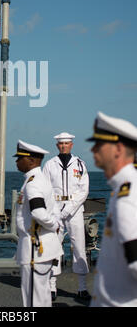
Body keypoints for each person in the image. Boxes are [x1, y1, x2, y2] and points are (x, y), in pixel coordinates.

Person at [88, 111, 137, 307]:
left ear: (117, 148)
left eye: (99, 144)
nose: (93, 150)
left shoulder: (128, 196)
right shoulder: (123, 188)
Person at [14, 139, 63, 307]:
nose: (16, 161)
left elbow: (38, 212)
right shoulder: (40, 179)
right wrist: (55, 224)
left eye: (19, 158)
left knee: (34, 298)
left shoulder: (33, 183)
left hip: (35, 249)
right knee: (41, 296)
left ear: (31, 161)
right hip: (41, 246)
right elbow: (55, 209)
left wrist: (54, 225)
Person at [42, 132, 90, 301]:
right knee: (53, 247)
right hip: (55, 209)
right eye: (60, 144)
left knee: (79, 247)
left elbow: (83, 190)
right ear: (57, 146)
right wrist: (54, 210)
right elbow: (45, 189)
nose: (63, 146)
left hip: (74, 210)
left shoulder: (80, 164)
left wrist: (69, 209)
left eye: (66, 143)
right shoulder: (49, 165)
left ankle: (82, 287)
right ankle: (52, 286)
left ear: (71, 145)